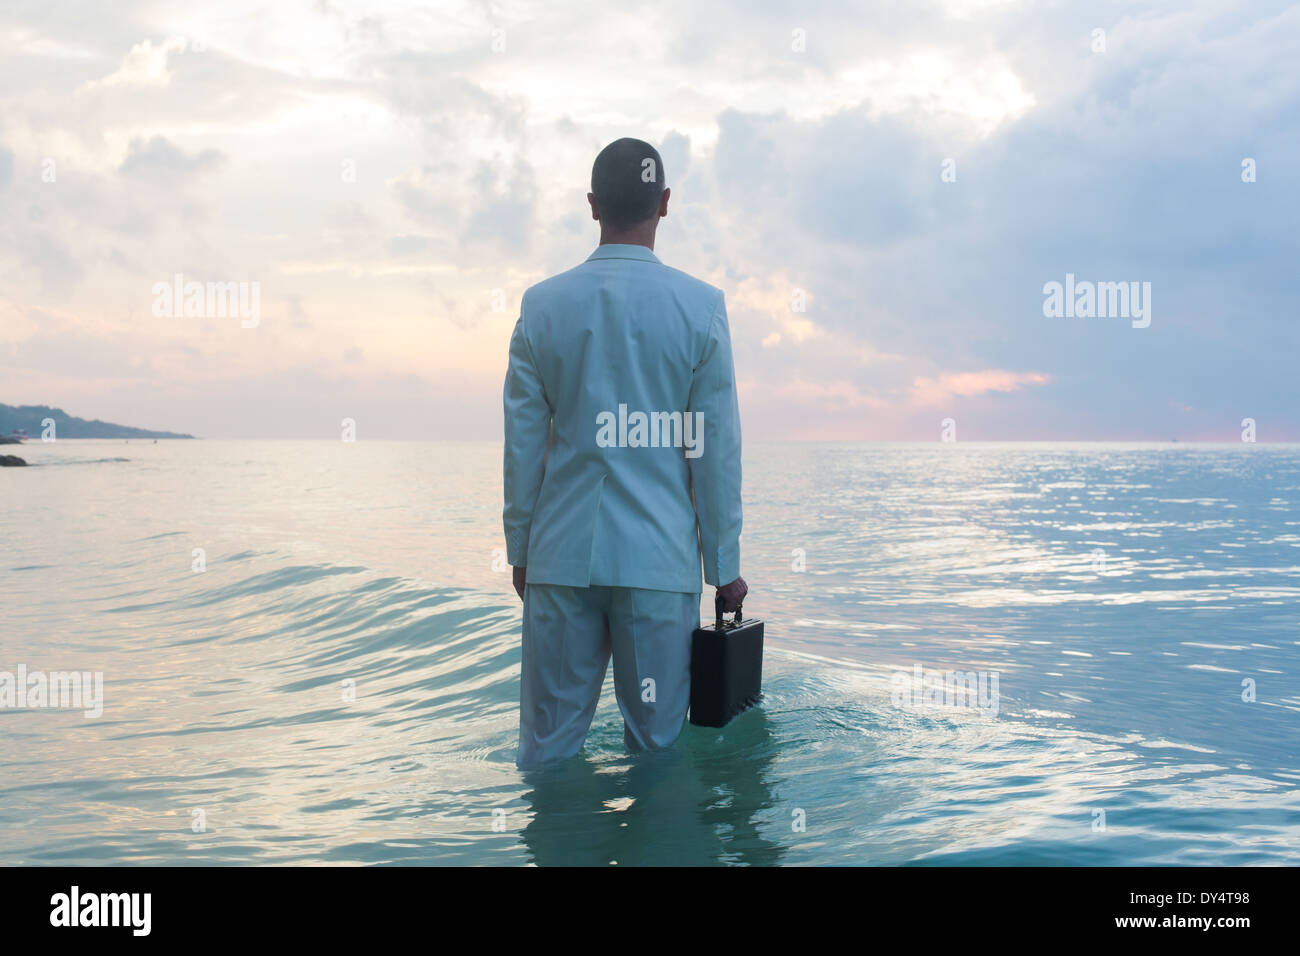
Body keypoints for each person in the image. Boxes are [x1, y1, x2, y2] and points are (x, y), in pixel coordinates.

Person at [503, 137, 746, 769]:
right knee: (657, 752)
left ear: (592, 205)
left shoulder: (541, 305)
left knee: (547, 752)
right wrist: (723, 567)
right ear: (664, 203)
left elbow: (523, 445)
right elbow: (713, 452)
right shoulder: (701, 308)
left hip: (561, 558)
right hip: (658, 564)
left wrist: (521, 550)